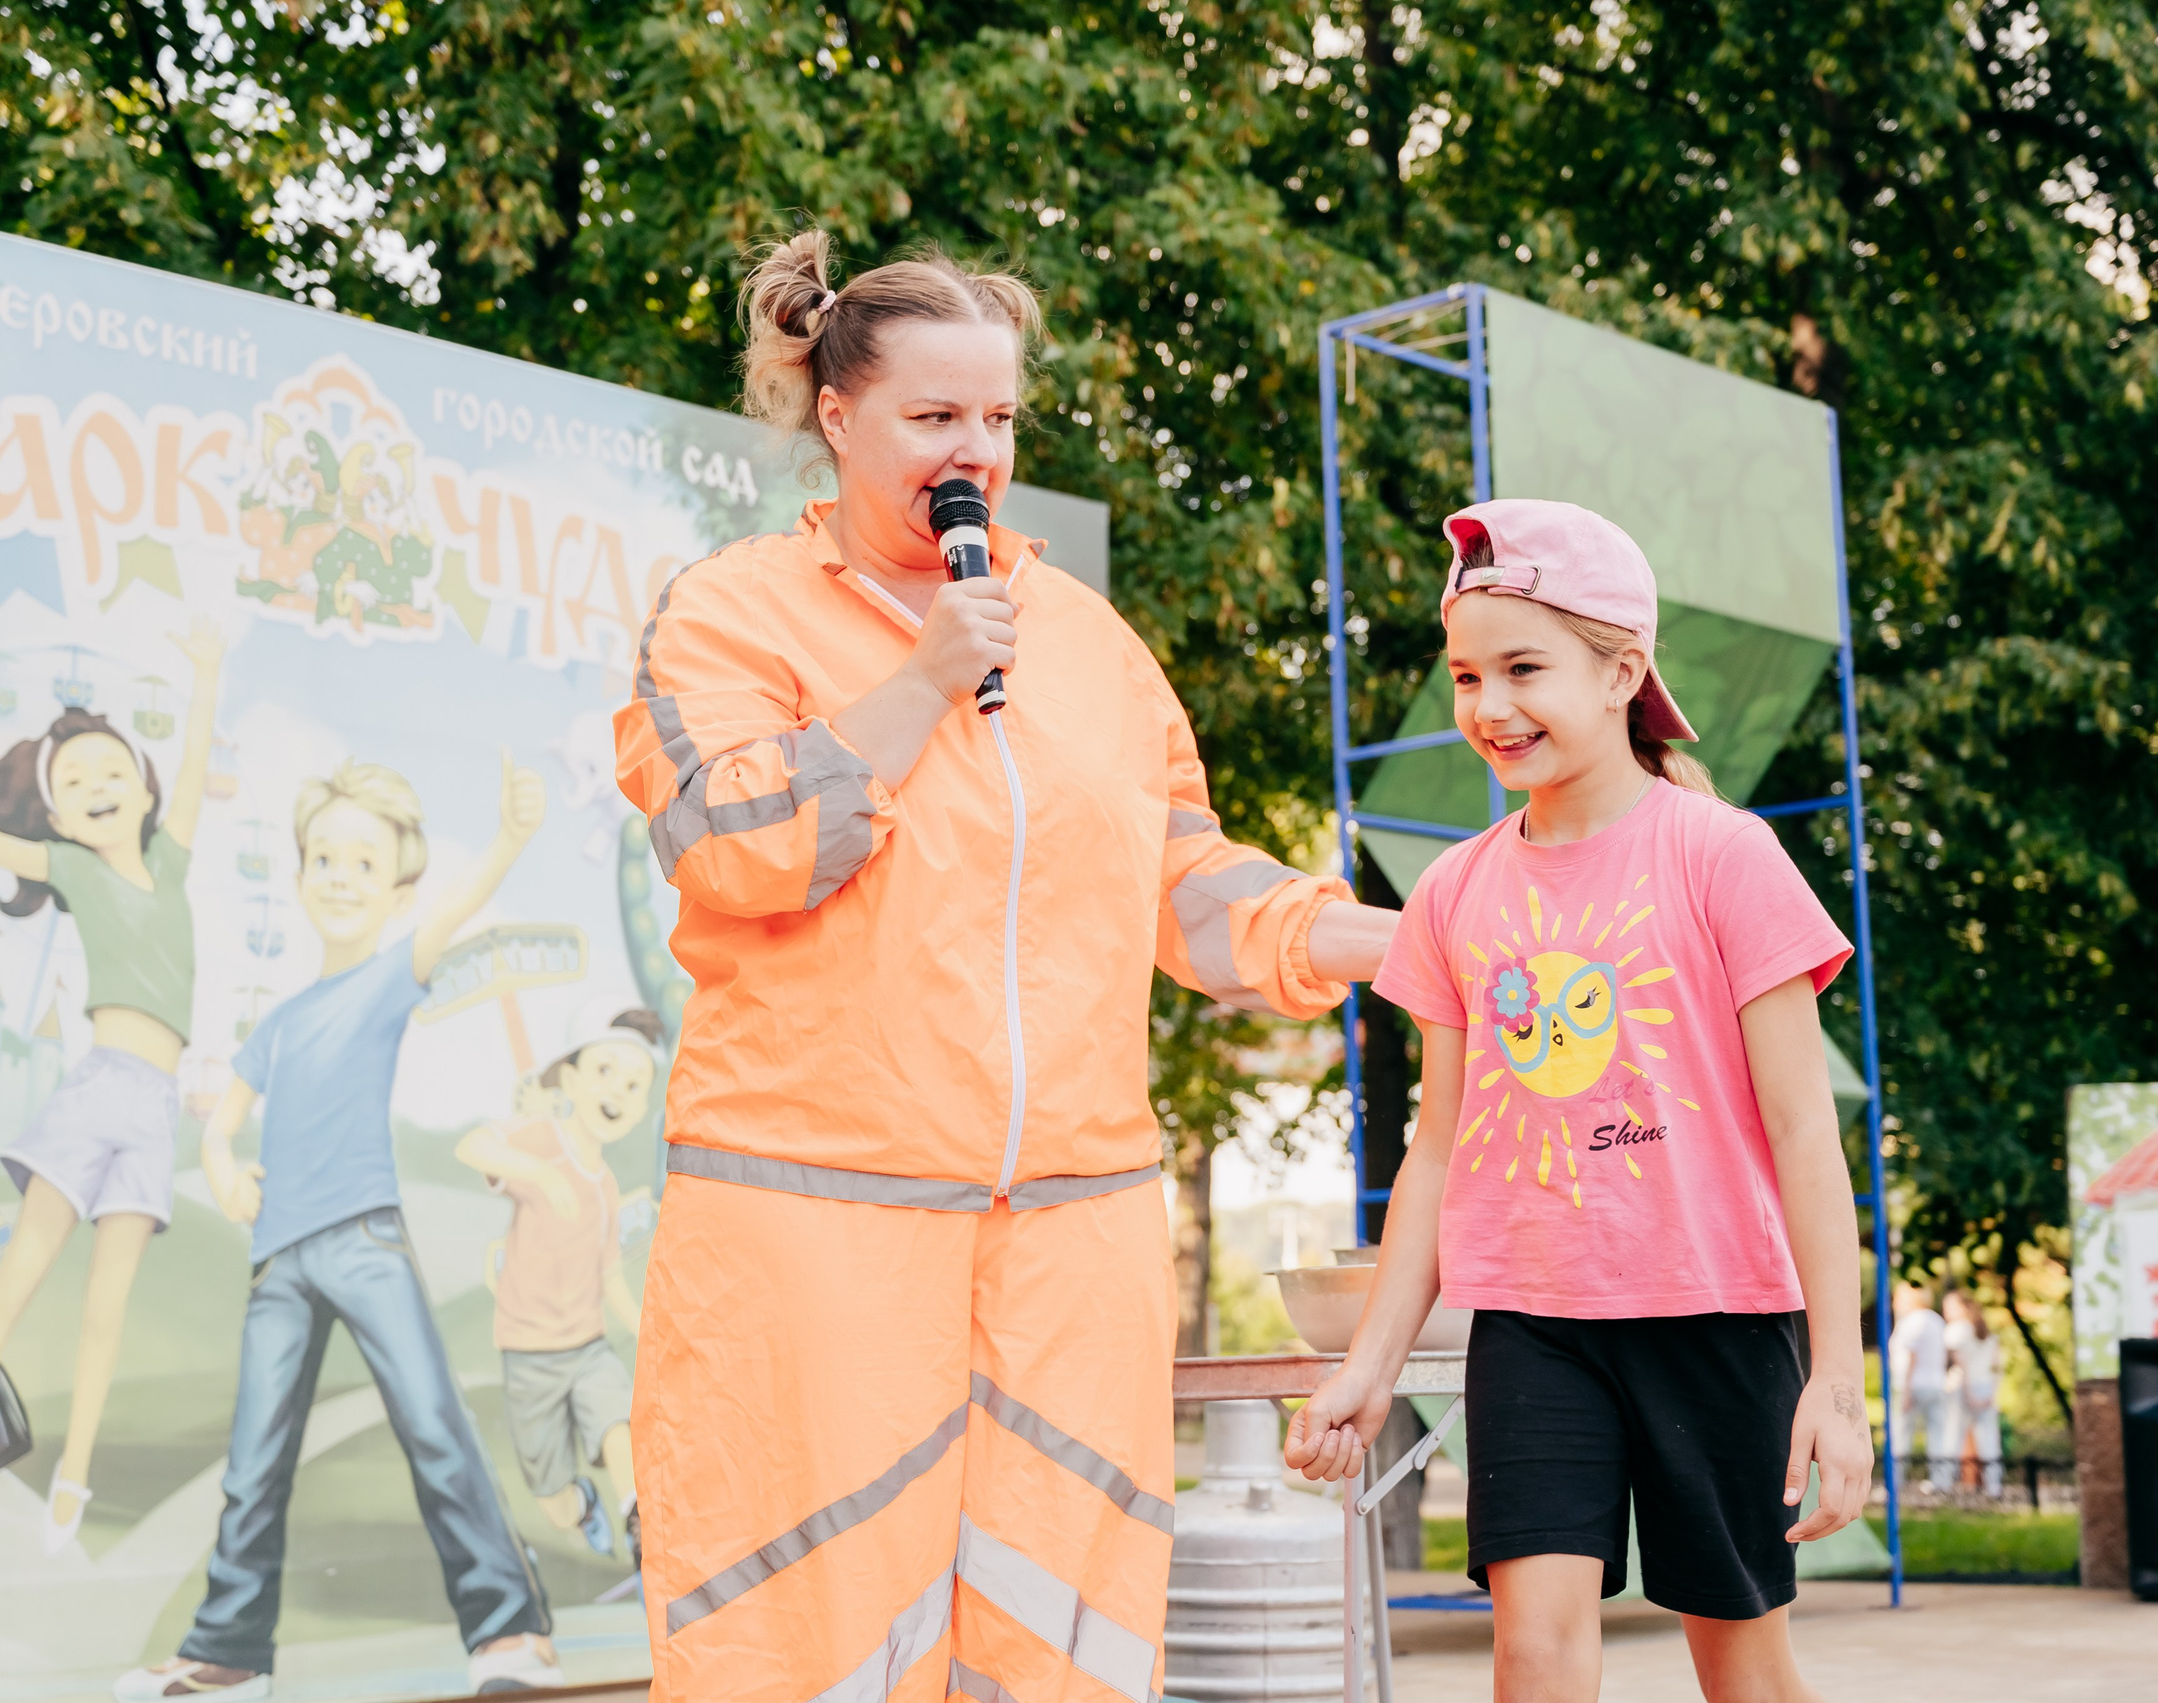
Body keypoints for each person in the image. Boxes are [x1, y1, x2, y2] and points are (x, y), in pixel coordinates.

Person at [612, 228, 1399, 1702]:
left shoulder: (1090, 644)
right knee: (804, 1637)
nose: (976, 449)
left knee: (1069, 1634)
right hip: (816, 1225)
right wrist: (915, 682)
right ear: (835, 415)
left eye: (999, 418)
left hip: (1071, 1235)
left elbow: (1189, 883)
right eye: (936, 417)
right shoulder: (729, 609)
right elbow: (731, 842)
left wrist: (1389, 941)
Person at [1284, 500, 1872, 1703]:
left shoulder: (1724, 854)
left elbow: (1807, 1133)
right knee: (1533, 1654)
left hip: (1718, 1314)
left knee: (1742, 1670)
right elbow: (1438, 1150)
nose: (1489, 706)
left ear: (1621, 672)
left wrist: (1837, 1377)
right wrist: (1371, 1363)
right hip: (1533, 1323)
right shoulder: (1452, 894)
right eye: (1464, 674)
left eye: (1522, 668)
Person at [116, 756, 561, 1700]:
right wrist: (229, 1168)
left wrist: (514, 837)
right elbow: (222, 1118)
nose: (340, 876)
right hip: (279, 1257)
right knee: (253, 1459)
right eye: (324, 857)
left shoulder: (390, 975)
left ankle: (509, 1628)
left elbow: (454, 910)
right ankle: (229, 1652)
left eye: (365, 862)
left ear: (397, 885)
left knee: (433, 1424)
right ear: (299, 873)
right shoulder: (278, 1023)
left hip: (363, 1237)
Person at [0, 622, 225, 1556]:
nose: (98, 788)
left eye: (113, 771)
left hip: (154, 1111)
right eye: (75, 782)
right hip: (96, 1088)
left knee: (109, 1304)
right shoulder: (69, 868)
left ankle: (74, 1478)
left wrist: (206, 673)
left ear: (145, 786)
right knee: (18, 1276)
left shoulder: (170, 860)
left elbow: (200, 745)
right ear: (53, 814)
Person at [456, 1007, 663, 1565]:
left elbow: (609, 1276)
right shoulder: (543, 1139)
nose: (616, 1090)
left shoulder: (607, 1186)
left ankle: (640, 1520)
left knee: (617, 1419)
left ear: (642, 1104)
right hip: (529, 1356)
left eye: (633, 1083)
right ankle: (583, 1505)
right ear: (569, 1078)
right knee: (553, 1500)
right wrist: (541, 1173)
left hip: (587, 1347)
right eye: (604, 1071)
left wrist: (647, 1334)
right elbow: (474, 1146)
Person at [1889, 1281, 1954, 1491]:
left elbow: (1911, 1357)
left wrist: (1906, 1390)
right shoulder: (1937, 1321)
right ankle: (1941, 1481)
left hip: (1914, 1385)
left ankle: (1896, 1481)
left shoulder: (1910, 1322)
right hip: (1935, 1384)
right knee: (1937, 1434)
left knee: (1901, 1434)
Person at [1942, 1290, 2005, 1497]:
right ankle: (1994, 1487)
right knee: (1989, 1439)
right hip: (1986, 1387)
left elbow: (1962, 1365)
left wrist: (1968, 1392)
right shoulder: (1986, 1332)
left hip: (1965, 1388)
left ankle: (1943, 1484)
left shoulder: (1956, 1331)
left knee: (1953, 1435)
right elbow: (1997, 1366)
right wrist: (1991, 1393)